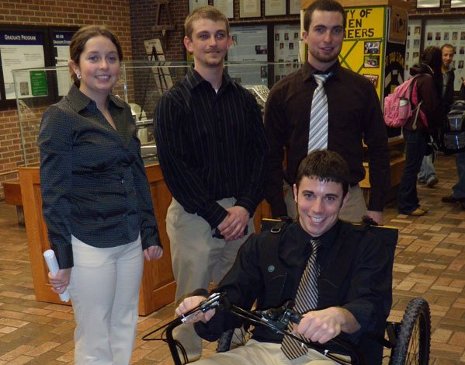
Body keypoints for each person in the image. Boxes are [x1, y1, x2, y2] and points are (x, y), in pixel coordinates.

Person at [175, 150, 392, 365]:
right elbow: (233, 295)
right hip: (262, 350)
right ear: (296, 193)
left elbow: (372, 304)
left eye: (330, 198)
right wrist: (206, 307)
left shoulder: (366, 245)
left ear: (344, 200)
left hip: (331, 354)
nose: (317, 209)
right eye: (309, 195)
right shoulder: (264, 245)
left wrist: (341, 316)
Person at [38, 25, 163, 365]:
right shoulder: (61, 118)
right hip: (89, 244)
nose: (104, 66)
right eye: (93, 58)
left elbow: (136, 174)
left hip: (128, 238)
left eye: (111, 58)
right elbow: (54, 193)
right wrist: (64, 259)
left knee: (124, 325)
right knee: (95, 336)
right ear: (75, 66)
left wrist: (149, 231)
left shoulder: (123, 112)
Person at [154, 5, 268, 362]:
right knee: (192, 298)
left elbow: (259, 157)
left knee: (239, 291)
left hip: (240, 212)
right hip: (195, 216)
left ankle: (232, 355)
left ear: (229, 41)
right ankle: (186, 358)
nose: (213, 43)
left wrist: (246, 206)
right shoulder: (174, 102)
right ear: (189, 44)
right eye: (203, 35)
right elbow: (175, 168)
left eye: (220, 35)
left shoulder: (245, 100)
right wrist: (217, 215)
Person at [264, 0, 390, 225]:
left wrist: (377, 206)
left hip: (348, 203)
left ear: (343, 34)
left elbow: (379, 149)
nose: (328, 39)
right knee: (298, 261)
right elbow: (270, 156)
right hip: (298, 202)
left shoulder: (361, 90)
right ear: (304, 34)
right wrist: (279, 208)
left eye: (336, 30)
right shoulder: (282, 94)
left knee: (349, 261)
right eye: (319, 29)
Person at [397, 46, 444, 216]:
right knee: (411, 168)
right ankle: (406, 205)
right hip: (417, 128)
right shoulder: (428, 79)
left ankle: (412, 202)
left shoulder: (417, 75)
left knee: (412, 166)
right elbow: (432, 107)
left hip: (411, 126)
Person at [418, 43, 456, 188]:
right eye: (445, 55)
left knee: (431, 144)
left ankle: (423, 174)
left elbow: (448, 94)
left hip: (440, 112)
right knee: (427, 142)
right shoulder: (431, 74)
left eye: (450, 55)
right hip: (428, 112)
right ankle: (430, 174)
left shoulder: (450, 73)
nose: (448, 58)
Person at [442, 77, 465, 209]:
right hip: (461, 132)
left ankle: (460, 194)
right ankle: (459, 192)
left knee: (462, 161)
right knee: (461, 160)